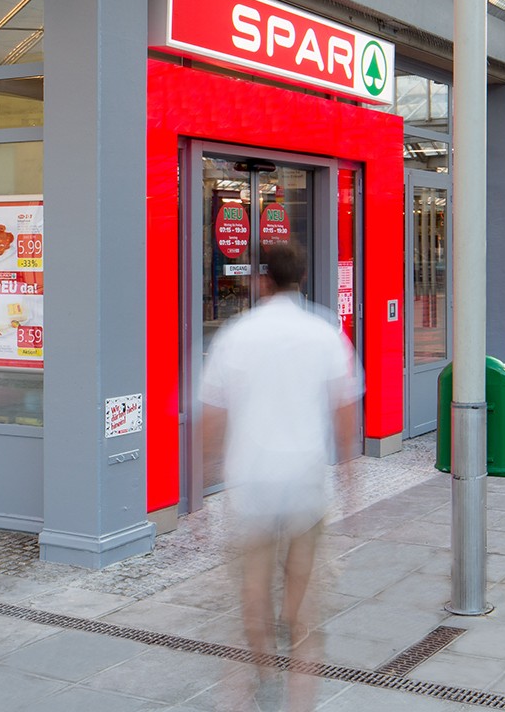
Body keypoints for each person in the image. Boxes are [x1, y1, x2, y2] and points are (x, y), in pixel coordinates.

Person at [201, 242, 362, 712]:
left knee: (253, 585)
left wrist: (197, 489)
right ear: (302, 279)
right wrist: (350, 476)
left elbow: (212, 416)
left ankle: (265, 669)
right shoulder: (325, 332)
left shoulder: (236, 334)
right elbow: (345, 409)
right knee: (301, 588)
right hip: (305, 480)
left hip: (251, 481)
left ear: (263, 280)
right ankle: (297, 676)